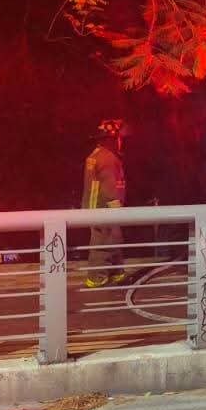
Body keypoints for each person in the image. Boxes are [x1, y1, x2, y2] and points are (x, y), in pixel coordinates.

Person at [82, 119, 127, 287]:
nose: (121, 141)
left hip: (94, 208)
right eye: (119, 138)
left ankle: (116, 272)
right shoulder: (108, 158)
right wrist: (119, 212)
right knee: (105, 241)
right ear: (111, 139)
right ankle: (97, 277)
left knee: (109, 239)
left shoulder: (95, 155)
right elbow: (110, 189)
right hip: (105, 209)